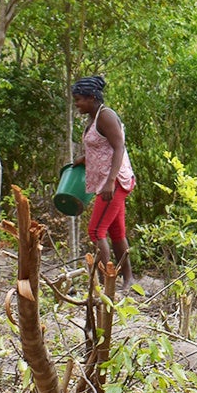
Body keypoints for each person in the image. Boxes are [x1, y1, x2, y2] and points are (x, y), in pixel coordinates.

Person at [73, 76, 136, 284]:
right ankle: (128, 280)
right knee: (117, 231)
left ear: (92, 97)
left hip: (114, 181)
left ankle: (103, 284)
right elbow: (102, 146)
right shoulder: (94, 117)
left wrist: (110, 181)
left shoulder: (106, 116)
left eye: (79, 99)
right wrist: (84, 159)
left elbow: (119, 147)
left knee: (96, 231)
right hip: (107, 181)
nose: (77, 104)